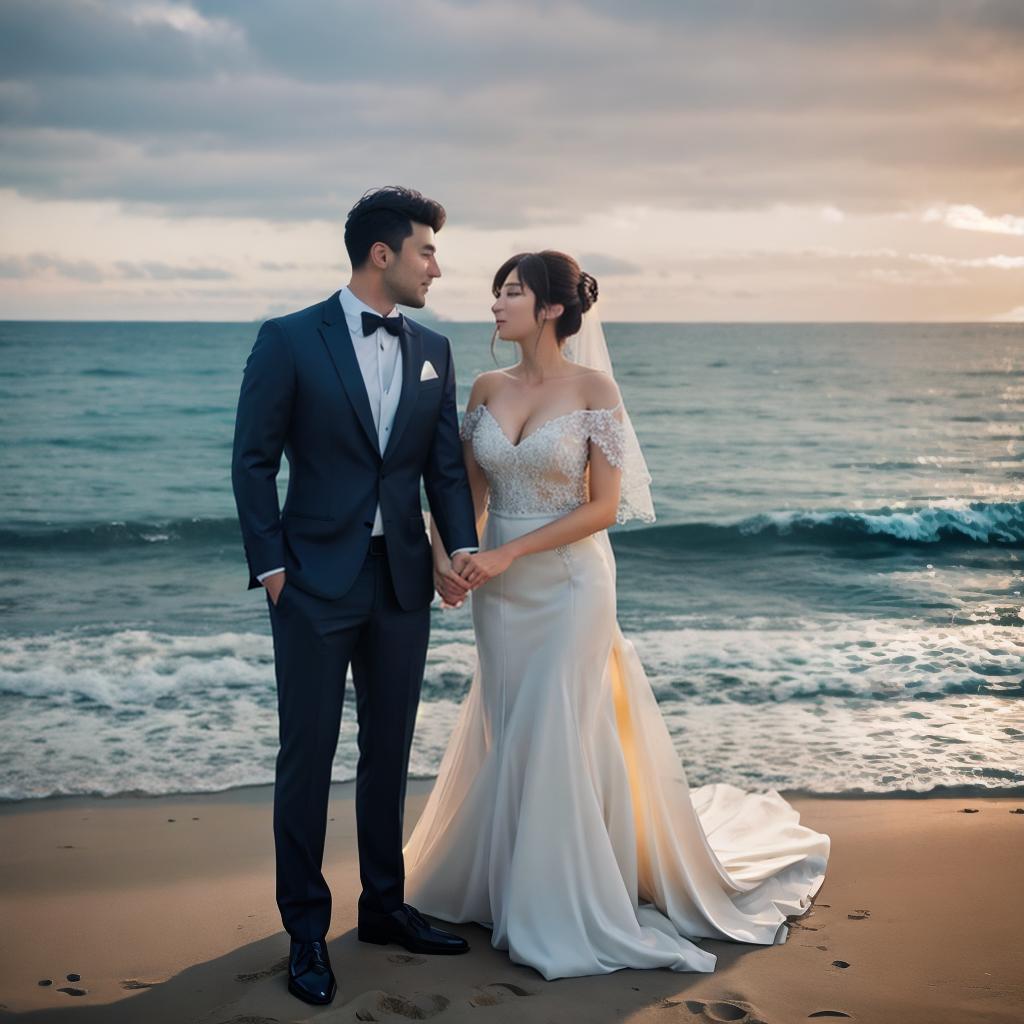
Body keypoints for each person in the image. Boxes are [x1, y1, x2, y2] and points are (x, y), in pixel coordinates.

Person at [405, 250, 831, 980]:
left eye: (511, 292)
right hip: (500, 594)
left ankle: (562, 899)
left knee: (554, 720)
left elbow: (603, 507)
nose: (496, 304)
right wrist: (450, 559)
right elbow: (469, 499)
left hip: (569, 584)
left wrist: (508, 556)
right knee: (510, 720)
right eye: (496, 292)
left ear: (550, 308)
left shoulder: (594, 388)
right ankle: (509, 879)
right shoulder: (484, 386)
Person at [231, 186, 479, 1007]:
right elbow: (253, 459)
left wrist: (461, 554)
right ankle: (306, 928)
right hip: (311, 581)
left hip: (401, 579)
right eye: (426, 252)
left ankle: (383, 906)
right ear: (383, 255)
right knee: (306, 755)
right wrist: (271, 568)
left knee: (388, 750)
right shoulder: (290, 339)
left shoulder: (435, 348)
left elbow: (442, 467)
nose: (436, 268)